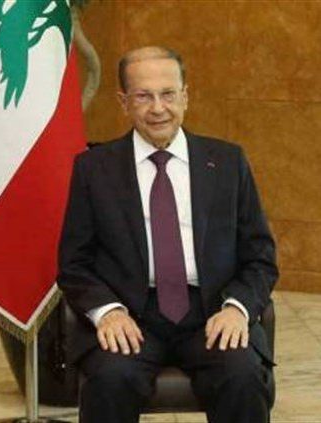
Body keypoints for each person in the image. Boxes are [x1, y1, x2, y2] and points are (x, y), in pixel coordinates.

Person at [57, 46, 277, 423]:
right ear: (124, 102)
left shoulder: (228, 162)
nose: (158, 108)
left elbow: (260, 256)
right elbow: (74, 263)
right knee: (111, 378)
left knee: (240, 375)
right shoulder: (94, 169)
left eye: (168, 94)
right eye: (144, 96)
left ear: (185, 97)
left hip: (212, 311)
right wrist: (107, 311)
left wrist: (237, 308)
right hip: (131, 315)